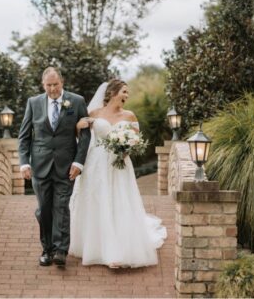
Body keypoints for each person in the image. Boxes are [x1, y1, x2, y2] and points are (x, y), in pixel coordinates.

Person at [69, 79, 167, 268]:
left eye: (127, 93)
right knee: (97, 201)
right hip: (95, 164)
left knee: (119, 201)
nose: (126, 96)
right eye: (124, 92)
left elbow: (136, 141)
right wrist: (77, 126)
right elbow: (81, 137)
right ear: (113, 93)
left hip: (119, 163)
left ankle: (117, 250)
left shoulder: (129, 116)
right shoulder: (94, 113)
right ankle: (96, 246)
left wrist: (126, 149)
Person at [18, 67, 91, 267]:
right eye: (48, 85)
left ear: (62, 82)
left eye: (55, 84)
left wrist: (78, 162)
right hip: (40, 166)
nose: (52, 89)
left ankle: (60, 250)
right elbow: (24, 136)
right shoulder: (33, 103)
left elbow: (85, 135)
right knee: (44, 210)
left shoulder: (76, 101)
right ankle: (46, 249)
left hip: (66, 166)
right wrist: (24, 162)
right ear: (43, 85)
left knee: (61, 206)